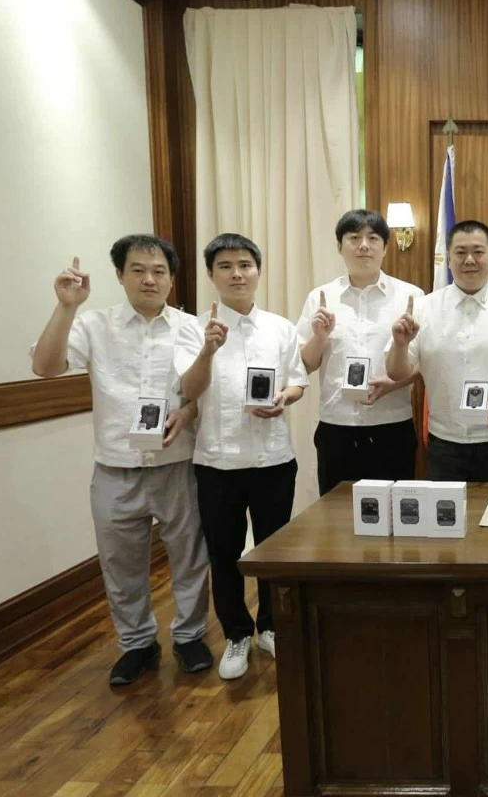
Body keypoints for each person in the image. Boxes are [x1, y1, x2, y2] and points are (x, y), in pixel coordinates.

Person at [30, 235, 211, 685]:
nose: (149, 279)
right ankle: (137, 644)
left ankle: (189, 636)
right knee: (120, 562)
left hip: (176, 460)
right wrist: (66, 306)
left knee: (189, 556)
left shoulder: (189, 327)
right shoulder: (94, 324)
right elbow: (45, 367)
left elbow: (196, 388)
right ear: (119, 275)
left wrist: (187, 408)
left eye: (159, 271)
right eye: (138, 270)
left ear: (172, 278)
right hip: (115, 465)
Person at [175, 233, 308, 680]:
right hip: (217, 462)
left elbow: (296, 381)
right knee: (224, 552)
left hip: (273, 460)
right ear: (211, 275)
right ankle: (236, 633)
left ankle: (270, 625)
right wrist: (208, 350)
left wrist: (284, 400)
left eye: (245, 264)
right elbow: (188, 391)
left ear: (258, 271)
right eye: (226, 266)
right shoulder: (192, 329)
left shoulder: (280, 327)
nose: (237, 273)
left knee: (274, 550)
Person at [384, 220, 488, 481]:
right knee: (444, 521)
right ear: (448, 259)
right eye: (460, 252)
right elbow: (397, 373)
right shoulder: (423, 308)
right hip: (445, 443)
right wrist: (400, 345)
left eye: (478, 252)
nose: (469, 260)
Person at [296, 209, 423, 496]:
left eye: (373, 237)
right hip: (336, 428)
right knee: (337, 522)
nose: (363, 245)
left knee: (394, 518)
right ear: (340, 247)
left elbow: (425, 363)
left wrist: (394, 384)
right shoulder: (319, 298)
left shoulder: (411, 297)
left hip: (392, 427)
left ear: (386, 247)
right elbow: (304, 364)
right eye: (354, 237)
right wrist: (318, 337)